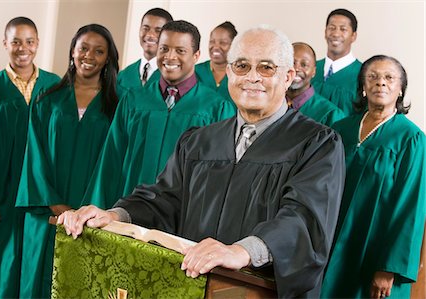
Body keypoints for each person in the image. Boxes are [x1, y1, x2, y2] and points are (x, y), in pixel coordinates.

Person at [59, 25, 346, 298]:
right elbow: (164, 199)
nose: (252, 77)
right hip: (193, 287)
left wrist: (242, 251)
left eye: (266, 67)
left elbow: (304, 220)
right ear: (230, 73)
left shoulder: (316, 144)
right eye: (242, 66)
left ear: (287, 76)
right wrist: (114, 215)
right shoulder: (199, 141)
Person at [15, 24, 120, 299]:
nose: (89, 55)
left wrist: (87, 211)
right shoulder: (46, 101)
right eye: (83, 48)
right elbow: (34, 158)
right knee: (37, 282)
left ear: (108, 58)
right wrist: (56, 205)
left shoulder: (117, 106)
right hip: (46, 214)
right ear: (72, 51)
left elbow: (114, 163)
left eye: (99, 51)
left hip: (91, 217)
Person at [82, 20, 235, 209]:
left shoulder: (216, 108)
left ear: (196, 56)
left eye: (180, 50)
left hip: (183, 219)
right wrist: (97, 210)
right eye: (164, 49)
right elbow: (110, 162)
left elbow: (220, 177)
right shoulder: (133, 101)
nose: (170, 57)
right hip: (127, 213)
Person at [321, 55, 426, 299]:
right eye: (373, 77)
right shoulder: (341, 130)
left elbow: (410, 208)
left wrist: (389, 267)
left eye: (389, 78)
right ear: (363, 88)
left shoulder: (410, 139)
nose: (381, 83)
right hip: (332, 243)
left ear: (400, 90)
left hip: (375, 251)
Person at [0, 17, 60, 299]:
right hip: (1, 192)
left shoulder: (54, 85)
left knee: (34, 263)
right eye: (15, 41)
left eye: (29, 41)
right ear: (5, 44)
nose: (23, 48)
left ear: (37, 44)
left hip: (39, 193)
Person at [311, 8, 361, 116]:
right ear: (325, 32)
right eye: (332, 28)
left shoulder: (363, 75)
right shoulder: (310, 68)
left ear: (353, 36)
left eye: (343, 29)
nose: (336, 34)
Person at [286, 42, 345, 127]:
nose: (296, 69)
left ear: (314, 71)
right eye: (292, 63)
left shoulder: (330, 114)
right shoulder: (271, 104)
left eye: (304, 65)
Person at [117, 8, 173, 90]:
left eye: (158, 30)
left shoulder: (174, 77)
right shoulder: (123, 76)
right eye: (146, 28)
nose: (150, 35)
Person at [195, 21, 237, 105]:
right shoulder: (194, 71)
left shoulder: (239, 74)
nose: (216, 47)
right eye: (212, 41)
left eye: (223, 43)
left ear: (234, 45)